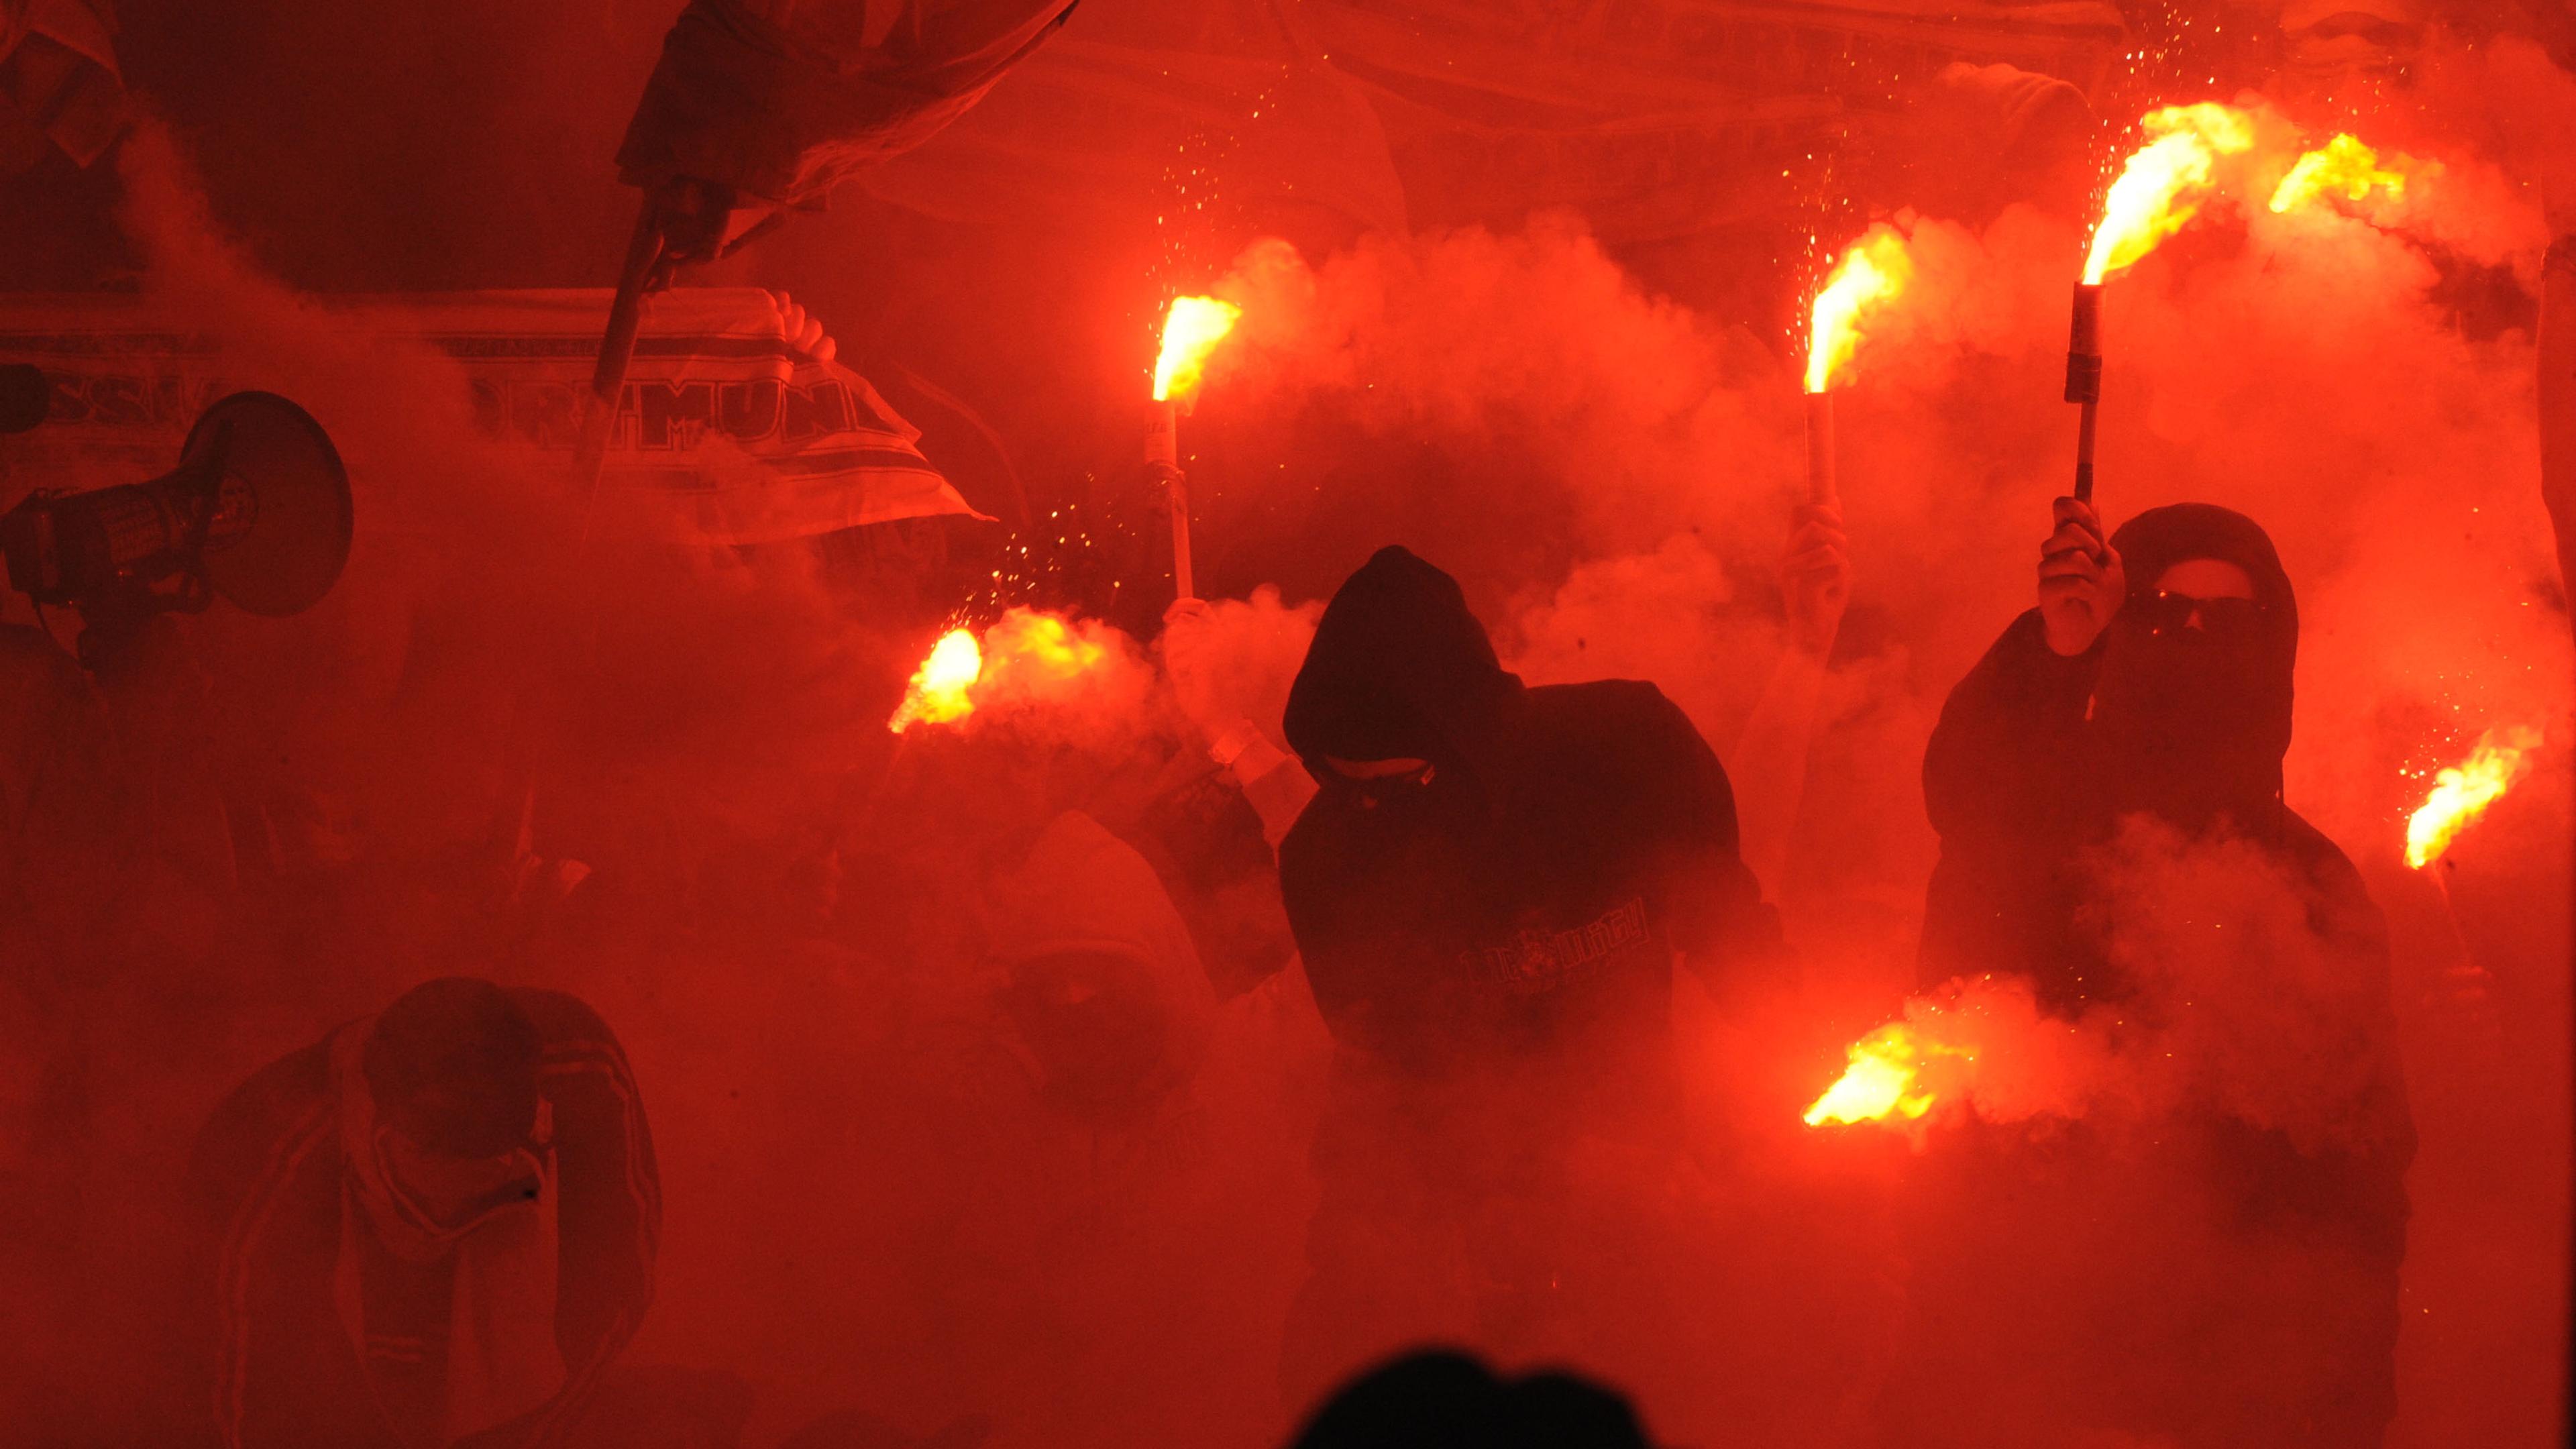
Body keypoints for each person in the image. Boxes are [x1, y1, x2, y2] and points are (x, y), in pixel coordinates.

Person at [1894, 498, 2414, 1447]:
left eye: (2229, 622)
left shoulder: (2311, 882)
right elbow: (1971, 800)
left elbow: (2363, 1177)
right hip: (2019, 1367)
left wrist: (2347, 1402)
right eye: (2165, 614)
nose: (2195, 642)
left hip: (2239, 1386)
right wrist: (2055, 655)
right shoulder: (2051, 824)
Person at [1273, 545, 1787, 1406]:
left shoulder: (1625, 754)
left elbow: (1726, 923)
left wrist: (1788, 1048)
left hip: (1637, 1177)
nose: (1380, 814)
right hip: (1446, 1194)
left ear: (1466, 737)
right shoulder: (1327, 861)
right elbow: (1387, 1065)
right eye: (1352, 790)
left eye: (1411, 784)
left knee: (1658, 1382)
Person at [184, 977, 659, 1449]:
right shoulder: (267, 1156)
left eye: (475, 1203)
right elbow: (239, 1388)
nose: (448, 1216)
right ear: (378, 1129)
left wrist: (539, 1431)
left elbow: (613, 1286)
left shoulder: (583, 1076)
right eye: (427, 1199)